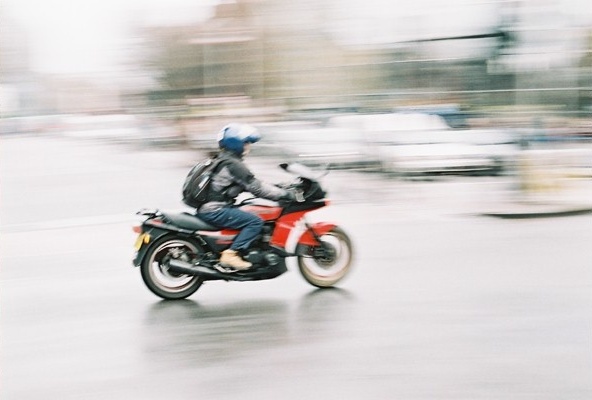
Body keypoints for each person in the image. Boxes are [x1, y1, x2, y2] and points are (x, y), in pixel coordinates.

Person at [196, 123, 295, 270]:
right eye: (246, 143)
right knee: (255, 221)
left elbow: (252, 183)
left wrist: (278, 186)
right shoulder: (233, 164)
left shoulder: (224, 160)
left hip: (212, 208)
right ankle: (231, 254)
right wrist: (284, 194)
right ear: (235, 143)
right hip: (215, 210)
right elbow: (256, 188)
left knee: (250, 209)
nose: (248, 146)